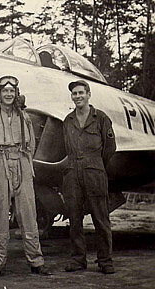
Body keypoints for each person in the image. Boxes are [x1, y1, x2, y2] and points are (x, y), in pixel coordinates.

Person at [0, 75, 50, 279]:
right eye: (4, 91)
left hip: (22, 162)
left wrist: (24, 162)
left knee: (28, 214)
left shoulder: (24, 116)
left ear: (16, 93)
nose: (8, 94)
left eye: (12, 91)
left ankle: (36, 261)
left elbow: (31, 144)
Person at [63, 80, 116, 274]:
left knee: (100, 218)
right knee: (74, 219)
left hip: (94, 172)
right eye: (74, 94)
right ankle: (78, 259)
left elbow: (110, 148)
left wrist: (95, 165)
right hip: (72, 173)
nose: (77, 97)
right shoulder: (67, 120)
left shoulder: (101, 118)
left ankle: (105, 260)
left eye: (80, 93)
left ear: (88, 94)